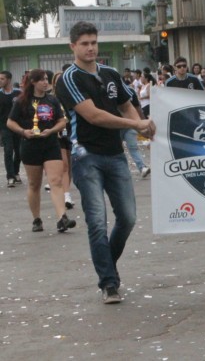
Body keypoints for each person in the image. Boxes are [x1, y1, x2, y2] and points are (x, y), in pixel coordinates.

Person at [56, 21, 156, 304]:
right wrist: (136, 125)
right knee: (97, 221)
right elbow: (94, 115)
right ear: (72, 46)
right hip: (85, 155)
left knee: (128, 218)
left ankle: (107, 266)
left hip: (115, 155)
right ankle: (109, 283)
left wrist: (141, 123)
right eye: (84, 43)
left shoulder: (111, 73)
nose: (90, 48)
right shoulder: (69, 78)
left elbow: (126, 103)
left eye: (94, 43)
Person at [6, 69, 76, 233]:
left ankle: (62, 218)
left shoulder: (52, 100)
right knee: (34, 184)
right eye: (42, 80)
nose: (46, 82)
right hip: (30, 145)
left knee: (55, 181)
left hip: (51, 143)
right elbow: (10, 122)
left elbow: (62, 121)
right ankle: (36, 219)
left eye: (46, 79)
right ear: (33, 82)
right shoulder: (22, 101)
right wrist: (23, 131)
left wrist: (52, 130)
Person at [52, 71, 75, 209]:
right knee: (64, 165)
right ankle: (66, 195)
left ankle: (67, 190)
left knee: (70, 166)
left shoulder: (73, 96)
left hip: (72, 133)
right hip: (58, 134)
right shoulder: (52, 99)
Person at [1, 71, 22, 187]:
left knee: (19, 152)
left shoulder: (19, 93)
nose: (0, 81)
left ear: (9, 80)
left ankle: (16, 171)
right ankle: (10, 176)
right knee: (8, 151)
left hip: (18, 126)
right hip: (5, 127)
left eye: (2, 79)